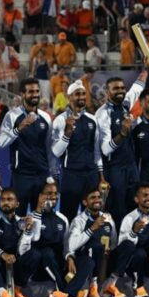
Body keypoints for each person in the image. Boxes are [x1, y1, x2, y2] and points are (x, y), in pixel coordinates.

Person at [0, 78, 56, 215]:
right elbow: (1, 142)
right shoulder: (12, 116)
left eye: (37, 91)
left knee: (42, 217)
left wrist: (52, 174)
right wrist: (18, 129)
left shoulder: (46, 117)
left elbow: (49, 149)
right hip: (21, 176)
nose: (35, 94)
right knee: (19, 217)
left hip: (42, 176)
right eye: (30, 92)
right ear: (23, 94)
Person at [96, 72, 147, 226]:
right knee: (117, 208)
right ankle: (115, 243)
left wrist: (146, 68)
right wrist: (122, 134)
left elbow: (137, 88)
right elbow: (105, 149)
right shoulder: (103, 114)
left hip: (131, 165)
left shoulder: (125, 104)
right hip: (114, 168)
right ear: (107, 92)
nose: (120, 91)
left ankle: (131, 238)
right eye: (115, 88)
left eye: (122, 88)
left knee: (134, 204)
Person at [50, 80, 106, 221]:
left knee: (92, 216)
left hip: (91, 176)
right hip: (71, 175)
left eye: (83, 94)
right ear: (69, 97)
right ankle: (67, 243)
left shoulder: (93, 120)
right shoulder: (60, 120)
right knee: (68, 216)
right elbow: (56, 152)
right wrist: (67, 134)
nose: (81, 97)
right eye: (77, 94)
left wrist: (101, 177)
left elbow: (97, 151)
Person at [0, 188, 42, 297]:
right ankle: (3, 293)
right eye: (2, 199)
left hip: (14, 265)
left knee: (35, 254)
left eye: (9, 199)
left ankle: (17, 289)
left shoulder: (21, 222)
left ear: (17, 204)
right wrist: (2, 254)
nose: (5, 202)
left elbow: (22, 250)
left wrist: (28, 231)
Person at [66, 188, 122, 297]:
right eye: (93, 197)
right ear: (85, 202)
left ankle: (110, 284)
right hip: (84, 260)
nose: (97, 200)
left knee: (126, 246)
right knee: (95, 246)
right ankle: (93, 286)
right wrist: (92, 229)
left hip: (103, 261)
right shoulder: (79, 221)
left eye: (99, 197)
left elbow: (114, 242)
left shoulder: (108, 219)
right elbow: (71, 245)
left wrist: (108, 254)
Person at [26, 182, 72, 297]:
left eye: (55, 193)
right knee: (47, 252)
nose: (53, 196)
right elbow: (34, 239)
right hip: (40, 266)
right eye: (48, 193)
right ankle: (62, 290)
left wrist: (69, 257)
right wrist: (38, 210)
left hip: (57, 263)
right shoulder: (31, 217)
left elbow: (66, 245)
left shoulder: (63, 219)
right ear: (40, 196)